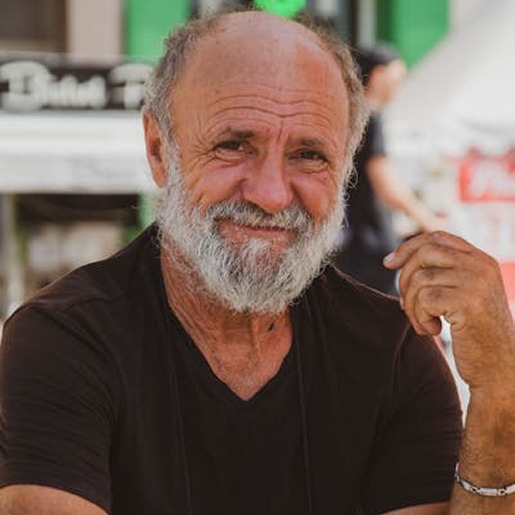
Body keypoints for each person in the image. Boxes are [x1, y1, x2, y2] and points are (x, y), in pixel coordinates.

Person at [0, 9, 514, 515]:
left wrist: (499, 396)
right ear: (160, 151)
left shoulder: (392, 353)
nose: (271, 195)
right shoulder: (66, 340)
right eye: (233, 145)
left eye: (309, 155)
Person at [332, 44, 445, 294]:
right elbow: (384, 181)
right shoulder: (370, 117)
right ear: (379, 74)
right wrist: (428, 220)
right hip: (369, 244)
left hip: (346, 240)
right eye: (398, 77)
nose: (400, 86)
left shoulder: (346, 116)